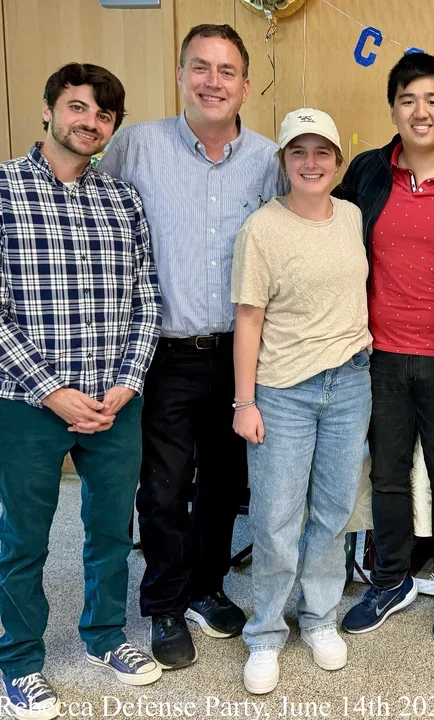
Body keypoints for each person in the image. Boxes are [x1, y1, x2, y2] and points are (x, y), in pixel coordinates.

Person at [98, 23, 281, 670]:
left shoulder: (267, 158)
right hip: (165, 351)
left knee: (226, 485)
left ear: (245, 85)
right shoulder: (136, 146)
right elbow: (93, 208)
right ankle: (166, 604)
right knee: (166, 487)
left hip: (238, 351)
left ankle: (205, 587)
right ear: (180, 75)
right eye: (200, 67)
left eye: (226, 71)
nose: (212, 81)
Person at [0, 63, 163, 719]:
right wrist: (52, 391)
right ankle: (18, 661)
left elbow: (147, 300)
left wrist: (128, 380)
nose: (89, 122)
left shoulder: (122, 200)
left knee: (109, 532)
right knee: (24, 540)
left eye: (103, 115)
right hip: (26, 405)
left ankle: (104, 638)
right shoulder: (5, 190)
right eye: (77, 107)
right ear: (48, 111)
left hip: (116, 403)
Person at [336, 52, 434, 646]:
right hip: (379, 354)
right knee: (389, 476)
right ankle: (389, 580)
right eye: (407, 99)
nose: (420, 111)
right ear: (394, 108)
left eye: (432, 99)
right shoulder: (368, 171)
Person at [230, 109, 371, 694]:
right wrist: (244, 401)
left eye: (322, 152)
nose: (311, 164)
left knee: (334, 512)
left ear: (337, 162)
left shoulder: (353, 217)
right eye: (298, 153)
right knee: (276, 517)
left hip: (351, 382)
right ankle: (264, 633)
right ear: (284, 162)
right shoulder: (262, 228)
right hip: (283, 390)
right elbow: (248, 318)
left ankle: (318, 617)